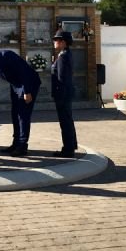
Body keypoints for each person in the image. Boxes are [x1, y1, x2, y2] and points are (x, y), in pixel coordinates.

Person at [0, 44, 41, 157]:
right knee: (15, 114)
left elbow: (24, 71)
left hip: (28, 84)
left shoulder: (7, 55)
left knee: (22, 115)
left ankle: (22, 146)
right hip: (16, 86)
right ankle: (16, 144)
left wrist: (27, 91)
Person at [50, 30, 78, 158]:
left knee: (65, 122)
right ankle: (71, 145)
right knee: (68, 120)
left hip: (63, 94)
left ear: (63, 42)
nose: (54, 42)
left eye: (57, 40)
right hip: (66, 93)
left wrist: (59, 95)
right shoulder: (66, 54)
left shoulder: (63, 56)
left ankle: (68, 149)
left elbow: (61, 78)